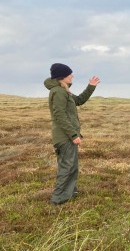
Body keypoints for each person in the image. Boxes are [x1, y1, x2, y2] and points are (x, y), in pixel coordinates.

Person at [44, 63, 100, 205]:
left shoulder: (64, 91)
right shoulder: (58, 92)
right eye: (70, 74)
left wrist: (91, 86)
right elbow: (59, 115)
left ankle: (69, 194)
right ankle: (58, 200)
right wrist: (73, 135)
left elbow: (79, 100)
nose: (72, 76)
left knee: (72, 166)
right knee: (66, 167)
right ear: (62, 76)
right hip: (65, 137)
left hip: (67, 137)